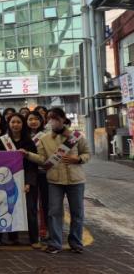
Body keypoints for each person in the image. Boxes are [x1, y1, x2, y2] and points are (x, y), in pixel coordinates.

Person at [21, 108, 90, 254]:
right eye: (50, 119)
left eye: (56, 118)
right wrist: (28, 155)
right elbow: (42, 159)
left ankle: (76, 243)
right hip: (54, 181)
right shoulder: (45, 139)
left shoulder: (76, 136)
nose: (53, 121)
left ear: (63, 119)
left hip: (75, 180)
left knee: (77, 213)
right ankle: (55, 243)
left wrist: (78, 159)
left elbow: (87, 153)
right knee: (54, 212)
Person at [0, 114, 39, 248]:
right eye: (13, 122)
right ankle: (12, 237)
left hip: (26, 179)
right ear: (8, 124)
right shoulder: (2, 140)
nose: (15, 125)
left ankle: (34, 239)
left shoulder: (29, 142)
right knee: (10, 208)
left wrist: (28, 182)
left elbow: (33, 165)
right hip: (8, 179)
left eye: (18, 122)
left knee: (30, 210)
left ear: (23, 124)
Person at [27, 111, 49, 241]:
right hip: (29, 174)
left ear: (41, 121)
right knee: (31, 205)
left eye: (36, 119)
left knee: (46, 203)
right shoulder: (24, 136)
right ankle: (33, 232)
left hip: (44, 173)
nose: (33, 121)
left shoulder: (46, 135)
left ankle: (46, 230)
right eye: (30, 119)